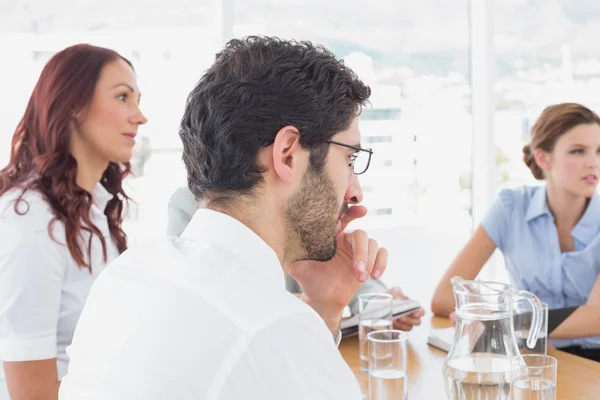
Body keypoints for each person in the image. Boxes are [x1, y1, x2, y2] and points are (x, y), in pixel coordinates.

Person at [60, 36, 392, 399]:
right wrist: (311, 322)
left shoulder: (126, 275)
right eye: (350, 160)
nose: (355, 192)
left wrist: (324, 307)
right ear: (288, 155)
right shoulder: (276, 329)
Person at [0, 44, 147, 400]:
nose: (140, 116)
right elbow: (31, 394)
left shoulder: (95, 212)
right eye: (123, 97)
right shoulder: (31, 219)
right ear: (75, 106)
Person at [431, 103, 600, 361]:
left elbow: (596, 317)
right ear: (543, 158)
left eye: (599, 151)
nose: (593, 163)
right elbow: (444, 297)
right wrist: (499, 320)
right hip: (529, 355)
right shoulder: (512, 207)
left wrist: (508, 321)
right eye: (578, 151)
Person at [167, 185, 425, 328]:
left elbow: (338, 275)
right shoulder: (193, 207)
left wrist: (378, 303)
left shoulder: (309, 206)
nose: (355, 192)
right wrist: (309, 305)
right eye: (347, 159)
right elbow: (218, 317)